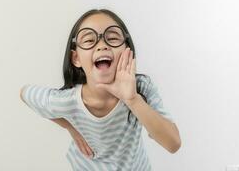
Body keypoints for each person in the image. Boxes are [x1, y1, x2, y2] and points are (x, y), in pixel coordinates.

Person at [20, 9, 181, 170]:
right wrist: (69, 126)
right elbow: (25, 94)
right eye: (89, 40)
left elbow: (173, 143)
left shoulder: (141, 87)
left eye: (112, 38)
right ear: (76, 58)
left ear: (127, 50)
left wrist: (132, 99)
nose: (102, 46)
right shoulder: (66, 101)